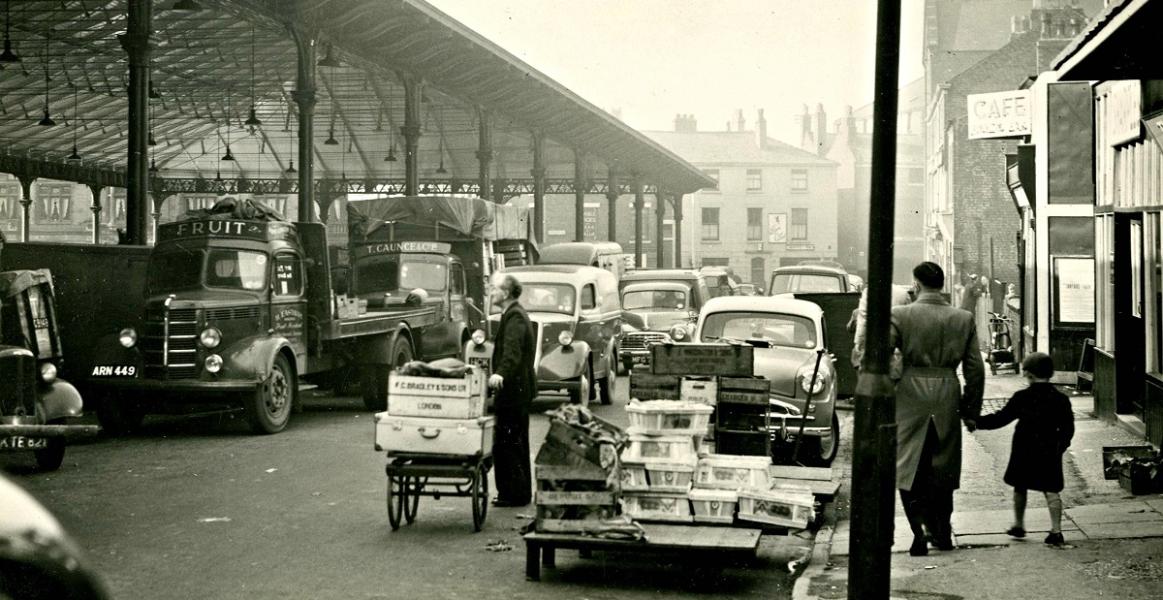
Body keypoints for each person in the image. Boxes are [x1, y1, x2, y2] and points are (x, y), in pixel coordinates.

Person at [891, 262, 985, 556]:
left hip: (909, 395)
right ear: (942, 285)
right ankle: (941, 531)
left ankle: (917, 531)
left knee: (908, 467)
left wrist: (893, 381)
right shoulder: (963, 318)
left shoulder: (900, 315)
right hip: (946, 393)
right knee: (942, 470)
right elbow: (975, 370)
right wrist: (970, 411)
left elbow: (879, 356)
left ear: (916, 285)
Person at [975, 352, 1074, 546]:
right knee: (1051, 489)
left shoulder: (1022, 397)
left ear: (1028, 374)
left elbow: (1000, 418)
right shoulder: (1060, 399)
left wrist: (976, 422)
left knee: (1020, 486)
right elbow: (1068, 428)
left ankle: (1019, 524)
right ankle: (1056, 530)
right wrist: (1060, 446)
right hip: (1049, 449)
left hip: (1024, 449)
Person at [487, 273, 537, 508]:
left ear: (506, 293)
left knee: (508, 444)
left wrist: (500, 374)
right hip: (517, 390)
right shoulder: (512, 314)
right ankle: (518, 492)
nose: (491, 292)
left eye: (494, 289)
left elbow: (513, 352)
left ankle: (513, 494)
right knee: (514, 442)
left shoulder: (515, 317)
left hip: (513, 391)